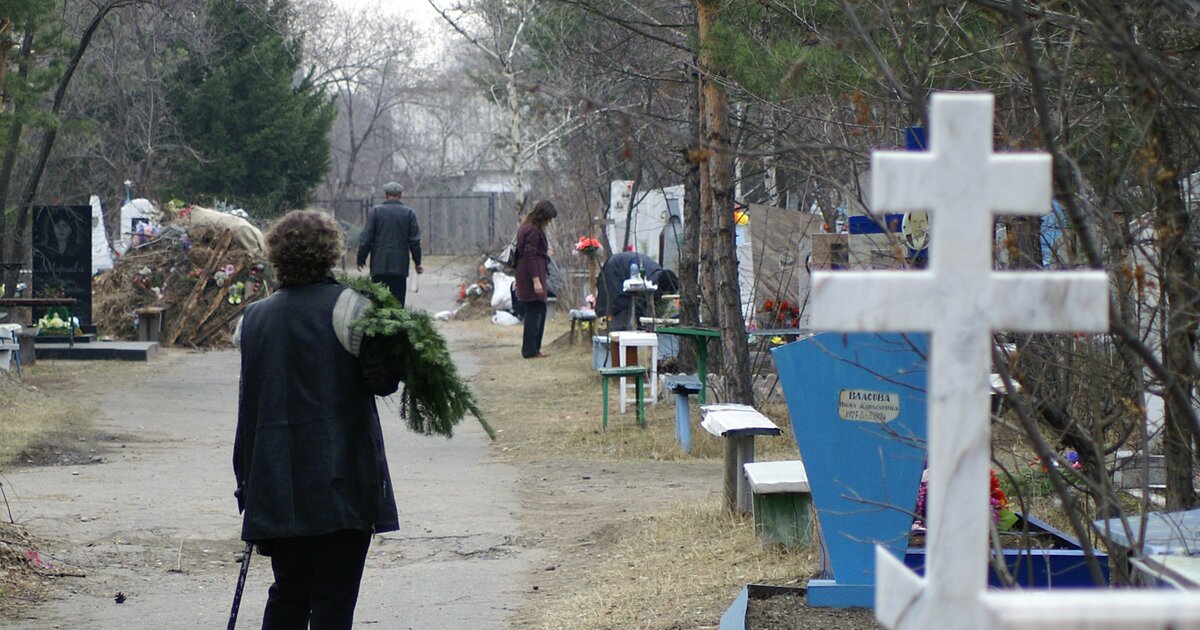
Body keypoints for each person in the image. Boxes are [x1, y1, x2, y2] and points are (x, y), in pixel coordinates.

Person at [233, 210, 399, 629]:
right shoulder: (351, 307)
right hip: (340, 483)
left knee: (288, 592)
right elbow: (382, 383)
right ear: (330, 253)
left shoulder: (252, 319)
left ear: (276, 254)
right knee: (332, 601)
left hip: (274, 482)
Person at [356, 181, 423, 306]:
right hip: (399, 267)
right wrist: (417, 262)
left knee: (377, 304)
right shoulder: (408, 214)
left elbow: (366, 239)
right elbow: (414, 241)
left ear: (386, 195)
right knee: (397, 306)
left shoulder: (376, 212)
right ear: (400, 195)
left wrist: (361, 259)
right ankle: (396, 325)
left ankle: (378, 325)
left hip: (378, 266)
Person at [513, 199, 557, 358]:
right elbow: (529, 256)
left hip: (528, 273)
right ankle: (530, 350)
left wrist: (545, 253)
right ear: (544, 216)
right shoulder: (532, 230)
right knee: (535, 311)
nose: (550, 222)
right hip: (531, 275)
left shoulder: (526, 227)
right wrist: (536, 280)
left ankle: (533, 348)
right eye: (549, 218)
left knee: (538, 310)